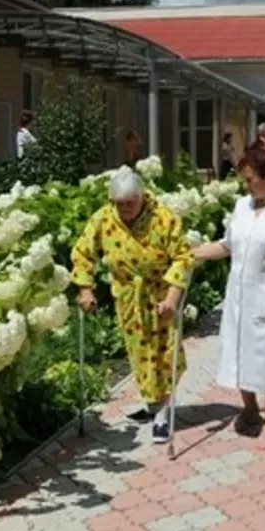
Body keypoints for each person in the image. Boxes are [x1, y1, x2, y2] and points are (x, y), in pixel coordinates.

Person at [193, 144, 265, 449]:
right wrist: (192, 253)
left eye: (250, 180)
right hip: (239, 297)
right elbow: (228, 245)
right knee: (239, 353)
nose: (246, 187)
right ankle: (249, 408)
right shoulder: (242, 206)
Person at [71, 169, 194, 444]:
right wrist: (86, 288)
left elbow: (183, 257)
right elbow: (83, 252)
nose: (125, 208)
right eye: (119, 203)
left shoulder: (163, 217)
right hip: (128, 297)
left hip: (161, 295)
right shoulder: (103, 218)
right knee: (139, 354)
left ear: (141, 197)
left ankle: (162, 412)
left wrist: (173, 298)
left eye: (131, 202)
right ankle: (153, 404)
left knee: (163, 353)